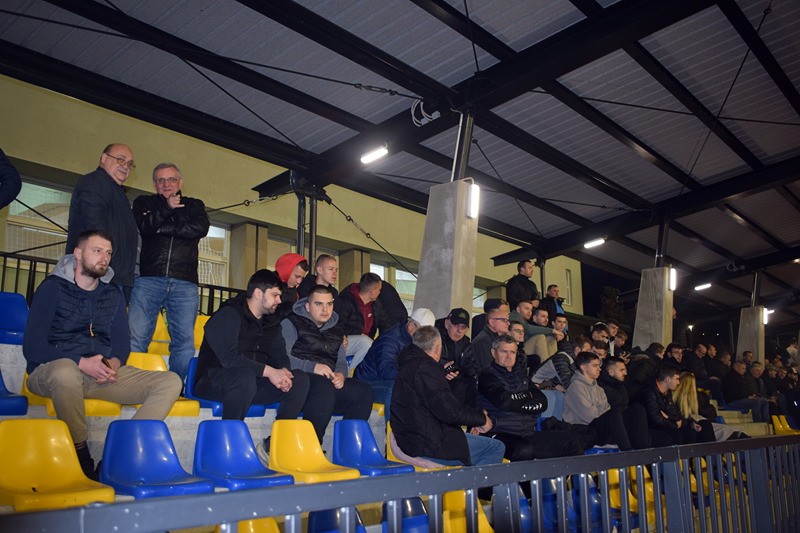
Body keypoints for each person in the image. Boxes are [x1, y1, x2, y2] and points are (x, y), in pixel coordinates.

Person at [23, 230, 182, 479]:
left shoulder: (112, 293)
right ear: (78, 253)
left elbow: (121, 343)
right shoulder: (51, 288)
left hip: (98, 374)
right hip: (51, 372)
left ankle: (119, 453)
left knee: (171, 381)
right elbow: (33, 347)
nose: (104, 257)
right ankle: (80, 453)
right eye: (97, 251)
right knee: (65, 370)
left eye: (108, 253)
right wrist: (81, 362)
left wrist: (114, 363)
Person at [194, 269, 325, 455]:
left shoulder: (271, 322)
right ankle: (228, 447)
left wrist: (284, 373)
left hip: (252, 384)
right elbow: (230, 359)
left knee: (299, 379)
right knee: (244, 377)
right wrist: (270, 372)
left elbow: (280, 355)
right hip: (213, 380)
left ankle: (277, 445)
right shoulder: (228, 315)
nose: (279, 300)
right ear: (258, 293)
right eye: (275, 295)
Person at [128, 163, 210, 381]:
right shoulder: (144, 202)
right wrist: (166, 208)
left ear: (180, 182)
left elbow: (200, 229)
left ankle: (174, 387)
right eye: (161, 180)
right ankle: (131, 384)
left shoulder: (194, 205)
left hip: (185, 282)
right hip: (148, 279)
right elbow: (144, 226)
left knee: (184, 342)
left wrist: (161, 227)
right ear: (154, 184)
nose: (166, 184)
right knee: (136, 338)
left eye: (171, 179)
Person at [391, 326, 505, 467]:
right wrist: (481, 419)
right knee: (495, 447)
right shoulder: (425, 369)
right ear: (437, 348)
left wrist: (439, 371)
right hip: (426, 443)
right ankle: (469, 482)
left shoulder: (410, 363)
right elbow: (450, 412)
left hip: (414, 436)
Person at [281, 285, 373, 441]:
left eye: (329, 304)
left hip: (326, 385)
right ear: (307, 306)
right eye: (319, 304)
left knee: (363, 390)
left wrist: (341, 375)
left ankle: (349, 446)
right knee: (323, 386)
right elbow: (283, 358)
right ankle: (313, 444)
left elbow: (341, 361)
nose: (325, 309)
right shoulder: (290, 323)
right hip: (300, 382)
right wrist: (312, 367)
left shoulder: (336, 330)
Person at [477, 335, 585, 460]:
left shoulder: (522, 376)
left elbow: (542, 402)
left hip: (527, 434)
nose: (508, 356)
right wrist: (528, 395)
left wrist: (517, 403)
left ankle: (566, 474)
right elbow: (505, 402)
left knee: (571, 442)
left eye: (512, 352)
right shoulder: (487, 376)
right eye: (504, 351)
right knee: (524, 449)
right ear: (493, 352)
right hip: (500, 434)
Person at [66, 144, 139, 301]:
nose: (126, 166)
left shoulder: (116, 190)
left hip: (112, 275)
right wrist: (104, 259)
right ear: (104, 158)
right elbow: (95, 228)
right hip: (99, 275)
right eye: (121, 159)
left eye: (130, 163)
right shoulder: (95, 183)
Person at [354, 307, 436, 408]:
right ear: (411, 326)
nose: (426, 338)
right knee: (398, 389)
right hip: (367, 383)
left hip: (384, 381)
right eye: (423, 333)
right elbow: (386, 371)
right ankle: (396, 419)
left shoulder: (415, 341)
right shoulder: (390, 340)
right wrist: (413, 377)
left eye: (429, 335)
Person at [562, 352, 632, 450]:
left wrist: (606, 417)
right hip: (585, 431)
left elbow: (606, 410)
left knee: (637, 410)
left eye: (599, 366)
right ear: (584, 368)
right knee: (614, 414)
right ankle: (627, 451)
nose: (599, 369)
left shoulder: (599, 389)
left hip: (598, 428)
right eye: (595, 366)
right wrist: (606, 417)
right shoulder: (576, 387)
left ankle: (640, 448)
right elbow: (589, 416)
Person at [598, 357, 665, 449]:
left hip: (625, 424)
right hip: (612, 427)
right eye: (621, 370)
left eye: (625, 370)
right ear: (611, 372)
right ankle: (642, 448)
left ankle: (643, 446)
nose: (625, 373)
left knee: (664, 438)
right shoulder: (601, 388)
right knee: (637, 408)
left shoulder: (621, 386)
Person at [639, 365, 713, 445]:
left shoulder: (667, 393)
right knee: (678, 435)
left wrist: (690, 423)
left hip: (666, 425)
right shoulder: (649, 392)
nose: (678, 382)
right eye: (676, 379)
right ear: (668, 379)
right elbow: (656, 419)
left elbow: (674, 414)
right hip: (650, 428)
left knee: (695, 430)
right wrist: (675, 425)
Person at [335, 272, 389, 369]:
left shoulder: (376, 304)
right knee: (366, 343)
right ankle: (351, 374)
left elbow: (385, 323)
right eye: (379, 290)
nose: (380, 292)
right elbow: (338, 324)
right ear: (372, 291)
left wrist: (385, 341)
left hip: (367, 342)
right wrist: (358, 333)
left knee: (376, 348)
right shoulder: (346, 301)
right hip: (343, 340)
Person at [673, 372, 744, 441]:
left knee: (729, 430)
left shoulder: (695, 397)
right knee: (724, 430)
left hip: (701, 421)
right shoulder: (677, 399)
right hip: (698, 423)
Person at [462, 306, 511, 378]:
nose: (508, 323)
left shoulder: (496, 338)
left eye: (508, 320)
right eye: (504, 320)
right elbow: (488, 370)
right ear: (492, 322)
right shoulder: (483, 341)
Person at [274, 253, 309, 317]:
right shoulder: (269, 284)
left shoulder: (294, 292)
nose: (299, 281)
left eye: (302, 278)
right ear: (286, 271)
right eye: (297, 276)